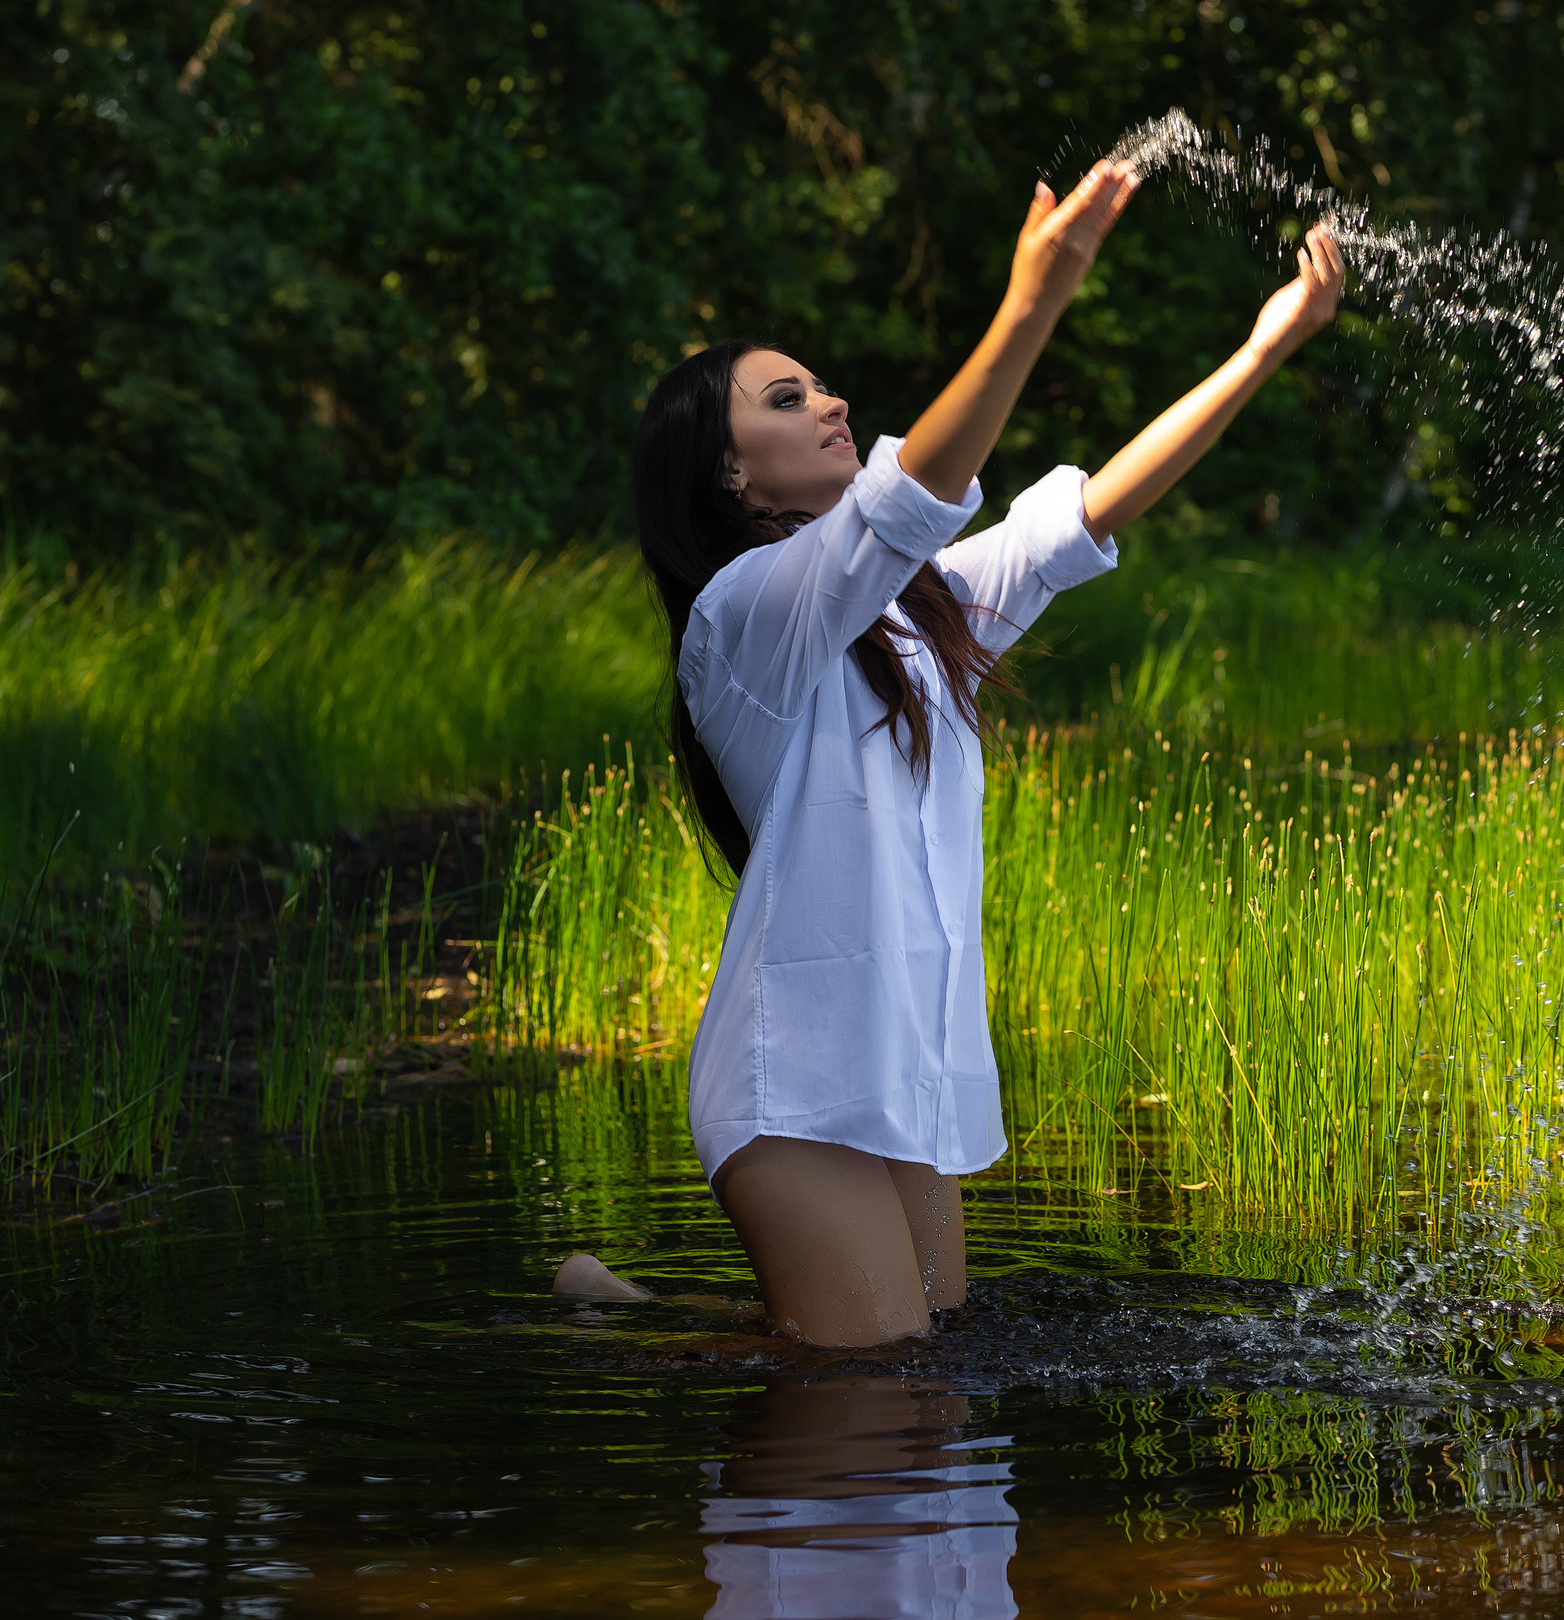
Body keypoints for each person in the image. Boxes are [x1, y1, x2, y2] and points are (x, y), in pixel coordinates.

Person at [553, 160, 1346, 1345]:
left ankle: (615, 1313)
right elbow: (910, 496)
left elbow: (1076, 518)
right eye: (786, 400)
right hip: (795, 1089)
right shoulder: (740, 617)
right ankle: (614, 1327)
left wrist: (1263, 349)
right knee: (884, 1388)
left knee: (918, 1356)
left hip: (899, 1072)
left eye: (821, 386)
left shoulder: (915, 616)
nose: (829, 404)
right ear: (729, 474)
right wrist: (1034, 299)